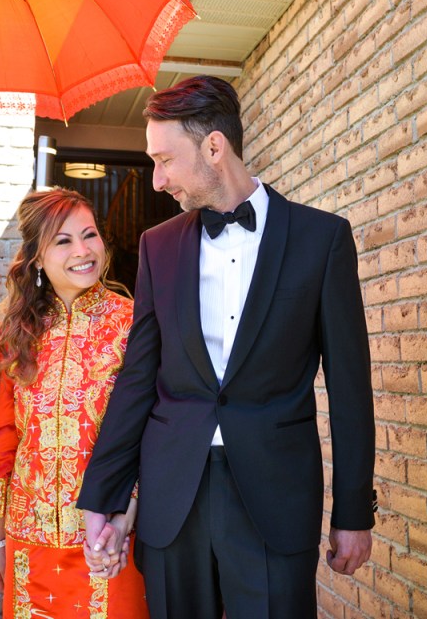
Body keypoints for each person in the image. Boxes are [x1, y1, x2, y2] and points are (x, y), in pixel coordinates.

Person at [77, 75, 376, 618]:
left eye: (165, 160)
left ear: (214, 147)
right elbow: (138, 378)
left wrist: (354, 512)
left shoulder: (323, 239)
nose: (157, 180)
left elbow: (350, 387)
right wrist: (105, 493)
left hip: (275, 499)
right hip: (173, 497)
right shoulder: (157, 247)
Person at [0, 188, 147, 618]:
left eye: (89, 235)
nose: (83, 251)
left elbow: (152, 430)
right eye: (63, 240)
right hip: (28, 543)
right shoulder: (17, 330)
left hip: (107, 537)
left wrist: (126, 516)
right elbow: (4, 436)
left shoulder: (133, 323)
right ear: (37, 257)